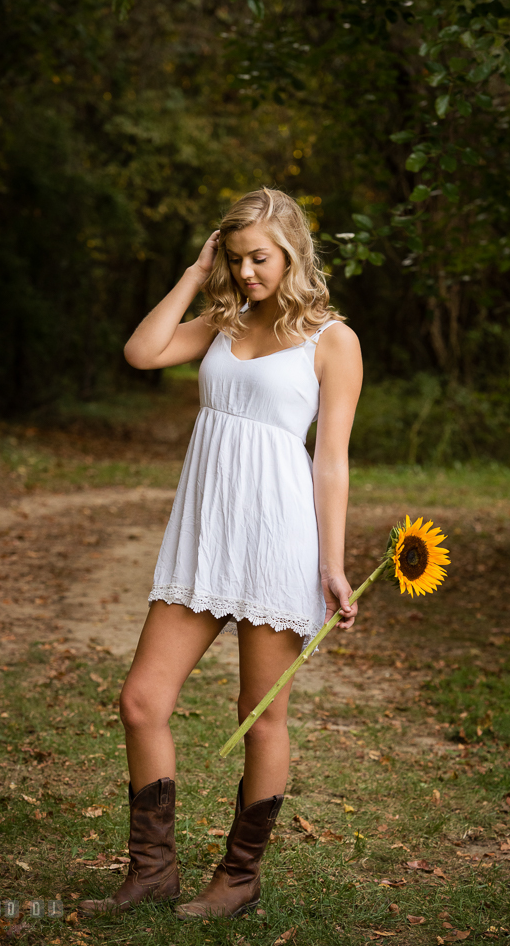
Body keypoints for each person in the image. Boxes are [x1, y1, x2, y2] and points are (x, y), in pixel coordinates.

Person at [80, 187, 363, 920]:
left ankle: (238, 880)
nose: (247, 274)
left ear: (292, 251)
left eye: (259, 258)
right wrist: (194, 271)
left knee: (259, 714)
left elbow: (329, 461)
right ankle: (152, 872)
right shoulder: (221, 319)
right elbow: (141, 351)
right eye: (234, 259)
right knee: (141, 701)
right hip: (203, 539)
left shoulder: (332, 341)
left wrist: (331, 565)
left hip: (277, 542)